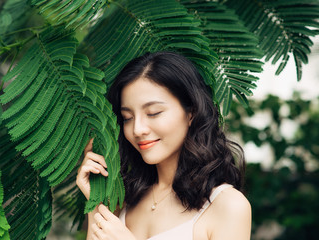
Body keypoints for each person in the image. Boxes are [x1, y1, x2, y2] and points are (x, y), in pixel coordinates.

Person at [76, 51, 251, 240]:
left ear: (191, 112)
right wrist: (96, 203)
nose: (138, 129)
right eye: (128, 118)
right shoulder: (125, 200)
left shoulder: (228, 206)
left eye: (153, 113)